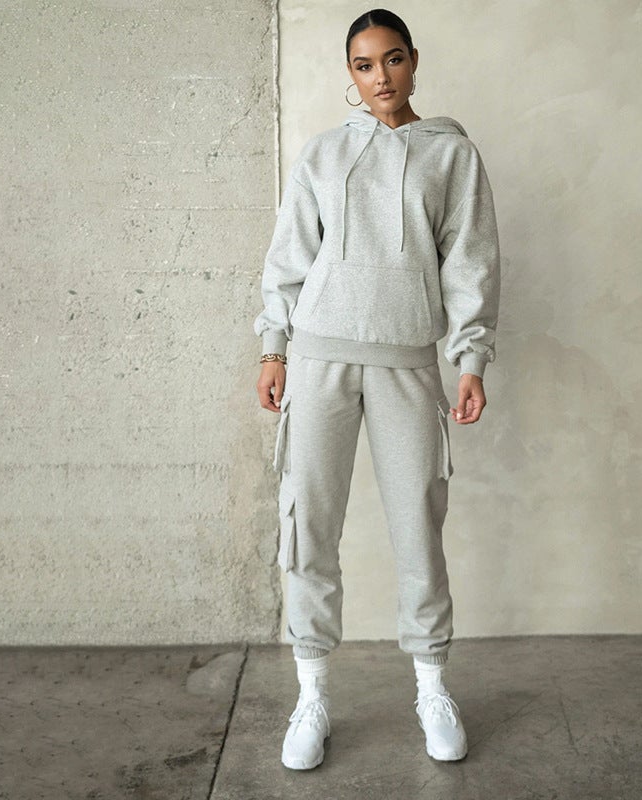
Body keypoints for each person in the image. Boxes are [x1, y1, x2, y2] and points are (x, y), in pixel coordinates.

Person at [253, 8, 500, 770]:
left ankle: (432, 688)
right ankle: (312, 695)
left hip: (407, 363)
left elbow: (470, 262)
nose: (380, 77)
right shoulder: (324, 154)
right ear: (351, 75)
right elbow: (290, 254)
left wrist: (470, 358)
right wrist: (273, 346)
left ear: (413, 61)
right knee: (309, 524)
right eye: (364, 65)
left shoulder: (451, 156)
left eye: (392, 59)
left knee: (418, 524)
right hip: (319, 358)